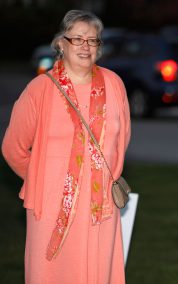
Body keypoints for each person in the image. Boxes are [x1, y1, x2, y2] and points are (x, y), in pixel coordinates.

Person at [2, 10, 131, 283]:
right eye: (78, 39)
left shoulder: (114, 84)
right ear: (61, 43)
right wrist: (42, 179)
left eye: (92, 41)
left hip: (101, 206)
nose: (85, 46)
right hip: (52, 206)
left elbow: (122, 140)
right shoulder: (40, 89)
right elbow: (13, 148)